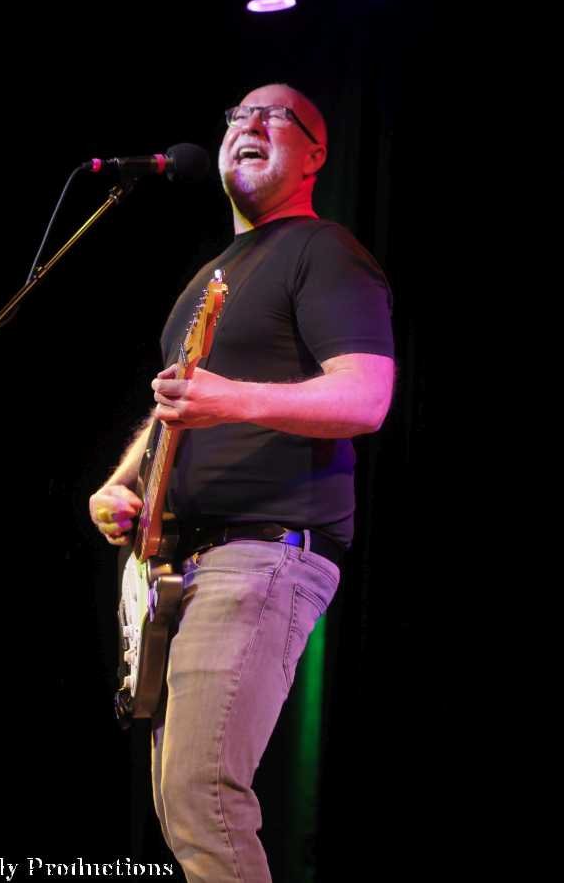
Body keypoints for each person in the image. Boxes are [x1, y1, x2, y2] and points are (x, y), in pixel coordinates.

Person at [89, 83, 395, 883]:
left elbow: (365, 398)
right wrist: (120, 483)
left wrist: (228, 400)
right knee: (181, 802)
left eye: (274, 117)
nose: (249, 124)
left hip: (262, 554)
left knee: (203, 800)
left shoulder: (323, 250)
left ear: (314, 155)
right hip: (181, 562)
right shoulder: (209, 277)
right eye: (237, 116)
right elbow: (173, 408)